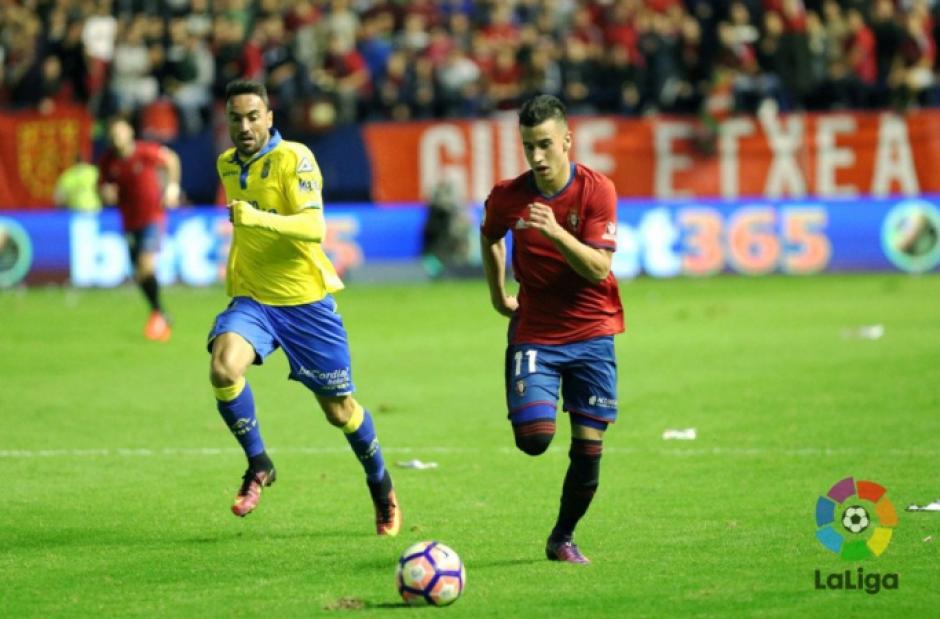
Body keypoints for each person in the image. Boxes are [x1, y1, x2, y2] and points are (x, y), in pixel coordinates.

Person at [208, 79, 401, 534]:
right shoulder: (226, 164)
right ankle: (258, 463)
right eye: (236, 118)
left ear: (269, 118)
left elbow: (314, 228)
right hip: (255, 300)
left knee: (340, 412)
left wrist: (256, 217)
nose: (244, 126)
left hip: (305, 305)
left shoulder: (295, 158)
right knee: (223, 368)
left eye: (253, 116)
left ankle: (381, 484)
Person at [480, 94, 624, 564]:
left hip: (592, 330)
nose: (537, 156)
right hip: (537, 331)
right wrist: (497, 293)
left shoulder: (597, 190)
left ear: (567, 140)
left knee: (588, 446)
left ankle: (562, 537)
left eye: (545, 144)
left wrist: (557, 233)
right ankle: (524, 382)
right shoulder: (509, 196)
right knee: (535, 438)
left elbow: (599, 269)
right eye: (528, 146)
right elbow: (490, 235)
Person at [97, 116, 180, 341]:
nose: (117, 138)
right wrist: (105, 194)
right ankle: (159, 311)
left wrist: (172, 188)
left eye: (120, 132)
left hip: (152, 217)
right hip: (129, 222)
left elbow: (171, 159)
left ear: (130, 132)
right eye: (113, 135)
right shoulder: (108, 162)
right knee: (138, 274)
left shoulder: (145, 152)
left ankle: (158, 314)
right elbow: (102, 187)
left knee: (145, 266)